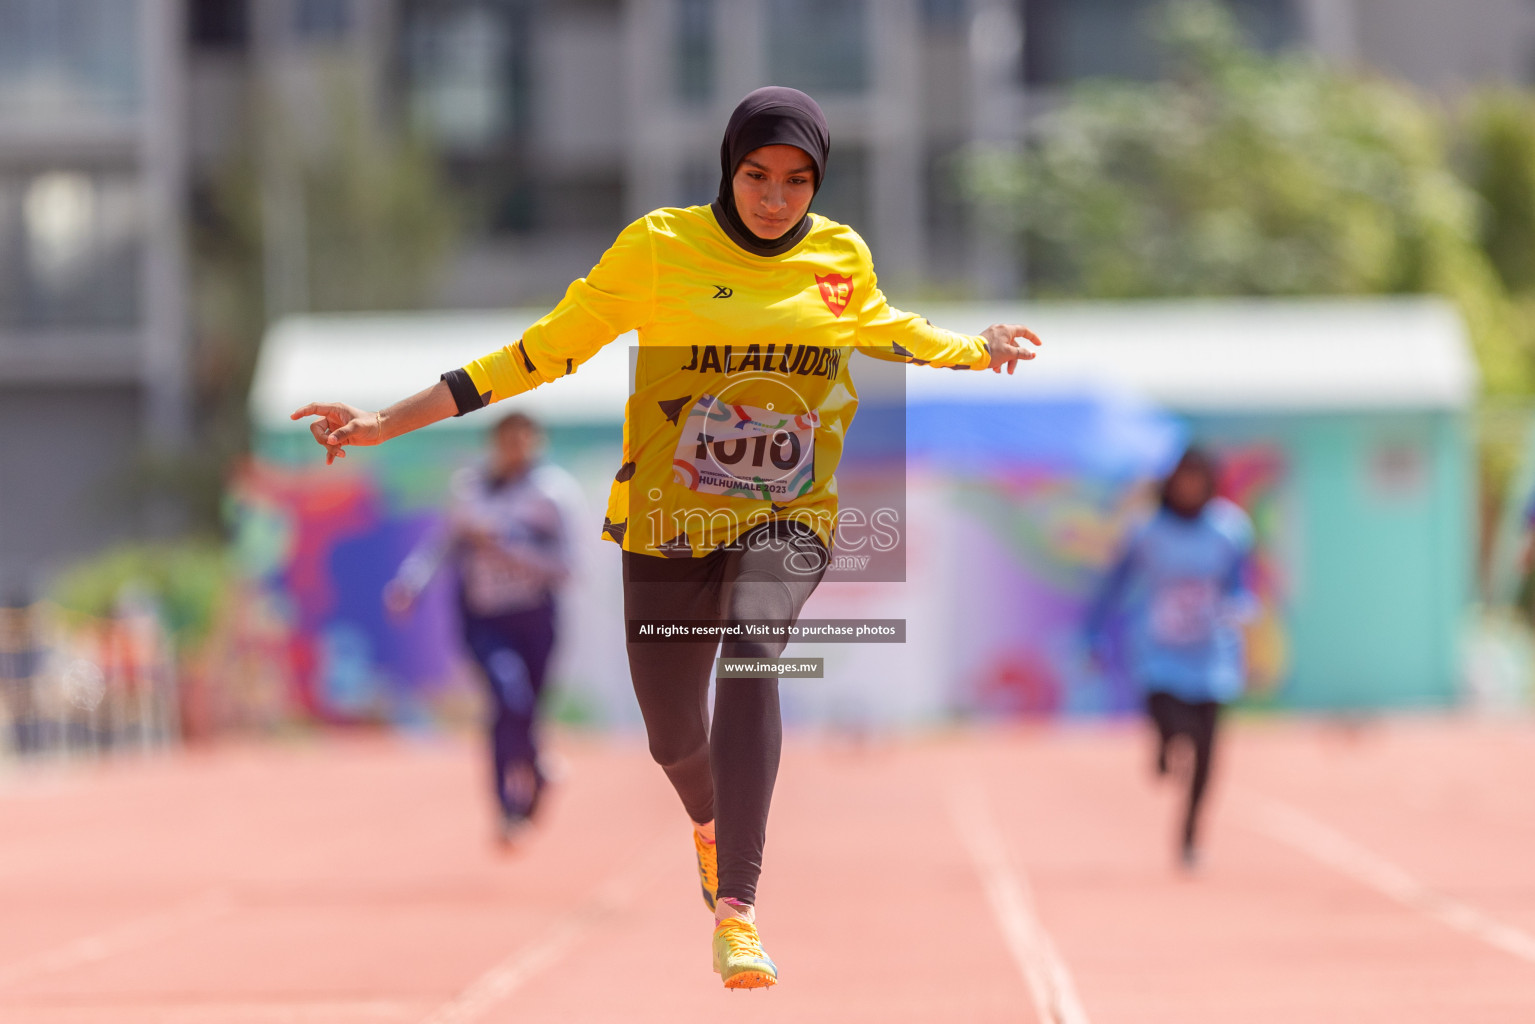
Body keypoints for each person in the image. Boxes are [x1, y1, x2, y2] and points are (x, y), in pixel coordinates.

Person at [292, 86, 1042, 989]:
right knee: (672, 736)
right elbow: (536, 352)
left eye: (797, 180)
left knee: (755, 648)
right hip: (670, 523)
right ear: (728, 168)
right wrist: (386, 421)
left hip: (787, 516)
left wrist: (976, 344)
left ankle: (739, 911)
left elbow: (885, 328)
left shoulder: (840, 257)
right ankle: (710, 824)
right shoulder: (659, 249)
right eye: (757, 175)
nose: (775, 197)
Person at [384, 411, 577, 847]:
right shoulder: (470, 491)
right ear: (494, 443)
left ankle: (534, 778)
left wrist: (510, 550)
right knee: (506, 697)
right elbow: (443, 543)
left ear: (537, 441)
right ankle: (505, 807)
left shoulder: (553, 495)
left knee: (524, 710)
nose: (515, 449)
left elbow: (568, 567)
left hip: (535, 616)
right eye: (506, 440)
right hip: (485, 617)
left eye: (523, 440)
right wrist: (410, 583)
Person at [1085, 446, 1256, 870]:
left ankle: (1190, 838)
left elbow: (1238, 584)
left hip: (1212, 654)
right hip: (1160, 653)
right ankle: (1163, 745)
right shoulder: (1145, 532)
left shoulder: (1229, 530)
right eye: (1183, 478)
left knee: (1207, 750)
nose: (1190, 487)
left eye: (1198, 478)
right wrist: (1093, 636)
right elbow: (1114, 586)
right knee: (1172, 723)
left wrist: (1242, 606)